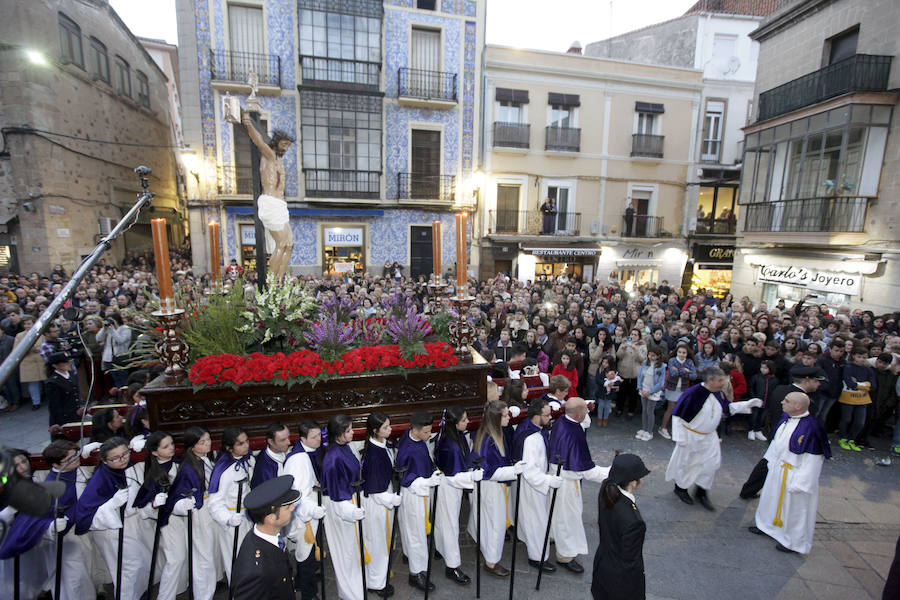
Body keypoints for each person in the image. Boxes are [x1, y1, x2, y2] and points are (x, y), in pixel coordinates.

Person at [665, 367, 761, 511]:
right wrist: (680, 438)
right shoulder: (694, 393)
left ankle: (701, 492)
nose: (723, 382)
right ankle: (681, 489)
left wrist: (746, 404)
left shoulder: (718, 394)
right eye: (720, 380)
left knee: (710, 465)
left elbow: (727, 409)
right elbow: (678, 415)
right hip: (691, 436)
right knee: (687, 464)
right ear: (710, 380)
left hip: (709, 437)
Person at [748, 392, 830, 554]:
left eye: (786, 401)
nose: (782, 402)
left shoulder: (812, 428)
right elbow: (776, 443)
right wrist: (771, 462)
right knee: (770, 500)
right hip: (778, 468)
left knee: (795, 510)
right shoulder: (785, 418)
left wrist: (802, 482)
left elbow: (814, 459)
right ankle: (767, 527)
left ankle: (794, 542)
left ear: (798, 406)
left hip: (795, 473)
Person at [73, 437, 151, 600]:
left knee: (137, 565)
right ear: (104, 461)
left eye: (125, 454)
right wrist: (111, 504)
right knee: (127, 570)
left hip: (128, 526)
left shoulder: (124, 467)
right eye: (115, 458)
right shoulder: (100, 480)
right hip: (111, 531)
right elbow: (85, 515)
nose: (123, 460)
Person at [548, 397, 611, 573]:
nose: (587, 412)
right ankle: (566, 555)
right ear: (577, 415)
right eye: (585, 410)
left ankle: (552, 536)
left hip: (555, 475)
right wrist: (610, 473)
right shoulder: (574, 435)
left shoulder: (561, 421)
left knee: (555, 512)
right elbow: (586, 470)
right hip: (567, 481)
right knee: (568, 518)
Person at [158, 426, 218, 600]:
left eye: (208, 439)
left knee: (209, 555)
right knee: (203, 557)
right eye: (202, 442)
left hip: (207, 510)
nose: (207, 444)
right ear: (192, 446)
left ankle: (208, 591)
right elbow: (178, 495)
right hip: (199, 513)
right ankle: (203, 595)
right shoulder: (188, 468)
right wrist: (186, 503)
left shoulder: (204, 459)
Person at [467, 400, 523, 578]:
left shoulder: (492, 433)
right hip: (490, 488)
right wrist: (514, 471)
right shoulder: (489, 439)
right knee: (495, 524)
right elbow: (489, 472)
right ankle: (491, 561)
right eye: (505, 415)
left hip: (491, 487)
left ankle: (484, 546)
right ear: (496, 418)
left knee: (489, 521)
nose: (509, 417)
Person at [241, 110, 295, 280]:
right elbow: (258, 141)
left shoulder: (279, 161)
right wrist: (248, 123)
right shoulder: (269, 156)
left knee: (289, 244)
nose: (285, 148)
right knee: (280, 244)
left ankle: (280, 278)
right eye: (284, 144)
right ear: (277, 142)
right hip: (270, 202)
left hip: (280, 204)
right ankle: (273, 280)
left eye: (288, 146)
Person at [510, 398, 562, 572]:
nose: (550, 418)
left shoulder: (528, 428)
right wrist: (548, 480)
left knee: (532, 518)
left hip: (529, 483)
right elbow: (530, 471)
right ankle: (537, 557)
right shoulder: (531, 438)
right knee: (537, 520)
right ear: (536, 417)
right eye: (547, 415)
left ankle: (531, 544)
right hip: (532, 485)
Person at [230, 475, 301, 599]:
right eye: (287, 507)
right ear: (271, 518)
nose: (293, 507)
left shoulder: (270, 537)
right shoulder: (255, 571)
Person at [590, 453, 650, 600]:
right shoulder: (634, 521)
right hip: (620, 582)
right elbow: (631, 562)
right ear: (633, 483)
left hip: (603, 565)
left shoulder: (606, 488)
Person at [320, 414, 367, 600]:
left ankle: (357, 588)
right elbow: (336, 495)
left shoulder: (343, 447)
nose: (353, 432)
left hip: (349, 499)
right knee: (346, 551)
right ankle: (350, 594)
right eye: (348, 431)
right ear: (339, 434)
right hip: (342, 506)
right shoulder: (332, 458)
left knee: (353, 549)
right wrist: (350, 511)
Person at [434, 407, 481, 585]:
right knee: (450, 526)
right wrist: (472, 477)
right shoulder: (451, 445)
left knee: (443, 521)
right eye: (464, 420)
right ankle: (452, 566)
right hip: (448, 487)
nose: (467, 422)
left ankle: (439, 548)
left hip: (449, 485)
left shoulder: (454, 434)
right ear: (454, 423)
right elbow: (453, 477)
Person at [396, 411, 441, 591]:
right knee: (416, 535)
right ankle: (416, 574)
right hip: (414, 495)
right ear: (415, 430)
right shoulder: (406, 449)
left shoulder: (416, 440)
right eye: (426, 432)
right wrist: (428, 482)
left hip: (421, 492)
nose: (429, 435)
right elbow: (406, 477)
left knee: (416, 532)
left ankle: (409, 557)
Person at [360, 412, 402, 597]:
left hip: (383, 497)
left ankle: (380, 576)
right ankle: (376, 583)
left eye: (389, 425)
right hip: (377, 504)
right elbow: (375, 491)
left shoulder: (381, 445)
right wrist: (393, 499)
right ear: (375, 431)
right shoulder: (374, 455)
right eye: (386, 427)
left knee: (383, 540)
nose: (390, 429)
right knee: (377, 542)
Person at [283, 421, 326, 600]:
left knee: (310, 552)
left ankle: (302, 580)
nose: (319, 440)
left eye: (319, 435)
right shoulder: (297, 460)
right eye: (314, 437)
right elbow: (297, 494)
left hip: (314, 508)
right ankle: (309, 594)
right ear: (302, 438)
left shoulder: (311, 451)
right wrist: (311, 510)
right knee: (306, 554)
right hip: (305, 516)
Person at [208, 426, 255, 584]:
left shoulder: (248, 459)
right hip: (233, 522)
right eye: (240, 444)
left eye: (246, 441)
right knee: (237, 564)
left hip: (248, 517)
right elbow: (214, 503)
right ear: (229, 448)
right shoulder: (223, 470)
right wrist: (228, 518)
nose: (246, 446)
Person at [838, 345, 877, 451]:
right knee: (846, 419)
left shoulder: (868, 370)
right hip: (848, 397)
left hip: (862, 399)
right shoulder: (848, 367)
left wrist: (858, 383)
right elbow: (850, 383)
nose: (862, 359)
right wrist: (865, 385)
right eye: (859, 357)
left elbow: (873, 385)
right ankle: (842, 437)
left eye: (864, 357)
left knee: (860, 422)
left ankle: (852, 439)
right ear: (854, 356)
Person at [659, 344, 698, 439]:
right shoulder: (672, 360)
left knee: (680, 409)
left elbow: (694, 376)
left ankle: (677, 429)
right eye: (679, 352)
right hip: (672, 388)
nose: (681, 354)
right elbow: (672, 374)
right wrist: (685, 370)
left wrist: (680, 371)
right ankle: (663, 427)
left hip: (683, 388)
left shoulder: (689, 361)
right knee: (671, 408)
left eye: (684, 353)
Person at [13, 314, 45, 410]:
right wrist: (28, 350)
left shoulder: (40, 333)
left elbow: (45, 345)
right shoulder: (19, 336)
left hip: (40, 360)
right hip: (28, 361)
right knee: (32, 383)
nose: (27, 326)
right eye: (25, 324)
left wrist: (39, 349)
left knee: (46, 380)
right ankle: (36, 402)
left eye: (29, 323)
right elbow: (16, 349)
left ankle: (49, 398)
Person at [636, 349, 666, 441]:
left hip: (653, 391)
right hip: (643, 389)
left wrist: (650, 392)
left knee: (650, 411)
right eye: (649, 355)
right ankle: (644, 429)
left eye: (653, 355)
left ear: (658, 356)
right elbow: (640, 375)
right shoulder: (645, 363)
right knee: (644, 410)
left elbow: (660, 383)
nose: (650, 357)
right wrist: (640, 387)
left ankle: (649, 431)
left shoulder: (662, 366)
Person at [44, 352, 80, 431]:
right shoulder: (53, 383)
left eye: (69, 361)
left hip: (75, 415)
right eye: (65, 362)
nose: (68, 363)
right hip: (64, 419)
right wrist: (58, 424)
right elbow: (54, 406)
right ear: (55, 365)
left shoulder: (70, 374)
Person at [250, 422, 291, 488]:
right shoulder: (264, 468)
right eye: (283, 440)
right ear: (271, 442)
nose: (288, 442)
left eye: (288, 437)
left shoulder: (289, 452)